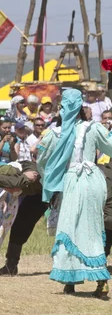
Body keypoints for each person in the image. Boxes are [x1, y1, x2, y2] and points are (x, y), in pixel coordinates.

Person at [36, 89, 112, 298]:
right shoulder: (93, 128)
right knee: (94, 229)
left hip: (72, 181)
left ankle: (70, 281)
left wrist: (50, 181)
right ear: (80, 107)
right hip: (94, 180)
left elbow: (41, 159)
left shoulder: (55, 133)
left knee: (70, 228)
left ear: (62, 108)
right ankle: (100, 280)